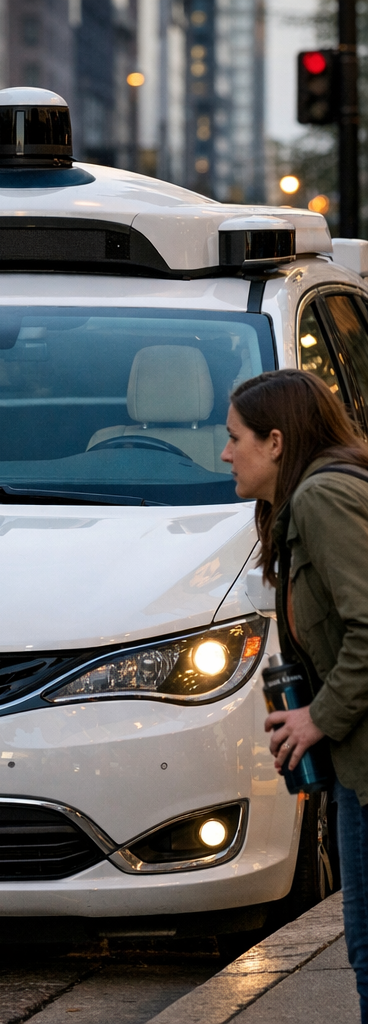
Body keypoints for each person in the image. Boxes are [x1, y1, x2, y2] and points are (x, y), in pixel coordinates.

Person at [221, 368, 368, 1022]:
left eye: (235, 438)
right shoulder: (310, 499)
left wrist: (317, 718)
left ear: (275, 441)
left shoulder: (320, 499)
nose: (225, 453)